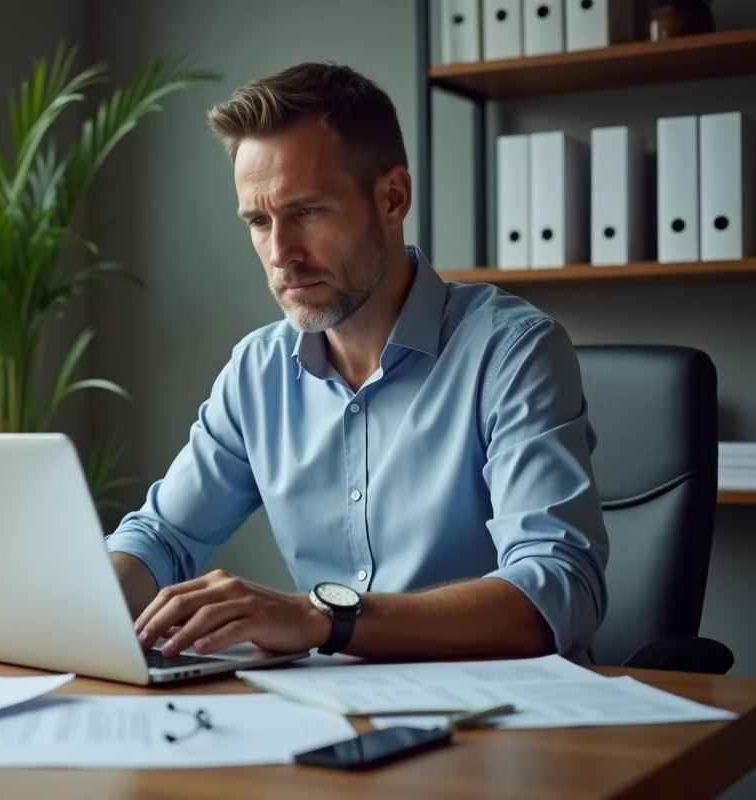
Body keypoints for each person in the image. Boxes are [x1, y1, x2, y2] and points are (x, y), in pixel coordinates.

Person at [105, 62, 609, 665]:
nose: (281, 254)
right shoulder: (257, 370)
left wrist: (320, 616)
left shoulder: (513, 351)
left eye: (308, 211)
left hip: (500, 728)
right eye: (259, 222)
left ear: (393, 197)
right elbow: (161, 537)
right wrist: (83, 601)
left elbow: (557, 589)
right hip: (327, 713)